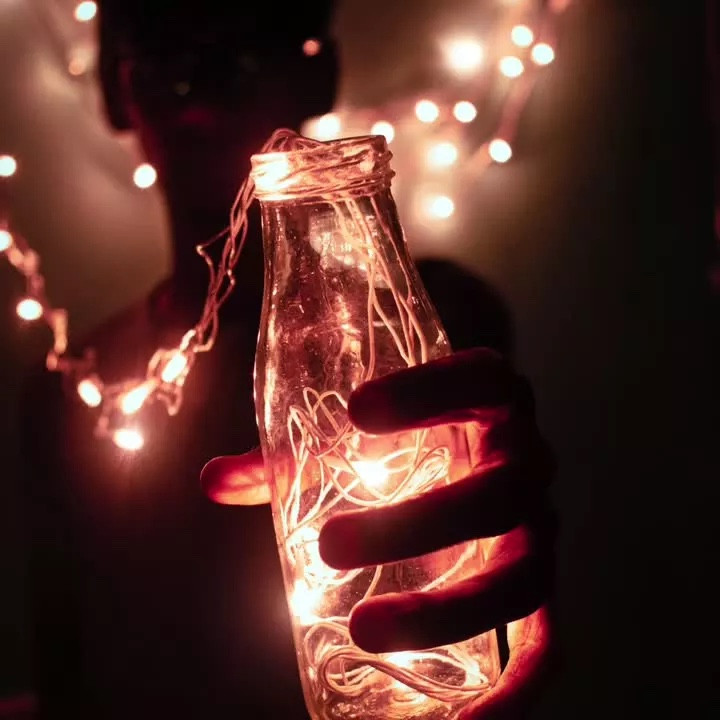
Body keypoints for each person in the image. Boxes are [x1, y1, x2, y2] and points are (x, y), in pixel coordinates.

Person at [20, 1, 556, 718]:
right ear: (116, 92)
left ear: (319, 71)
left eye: (250, 46)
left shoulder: (437, 322)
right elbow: (62, 676)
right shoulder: (69, 393)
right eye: (165, 49)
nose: (205, 84)